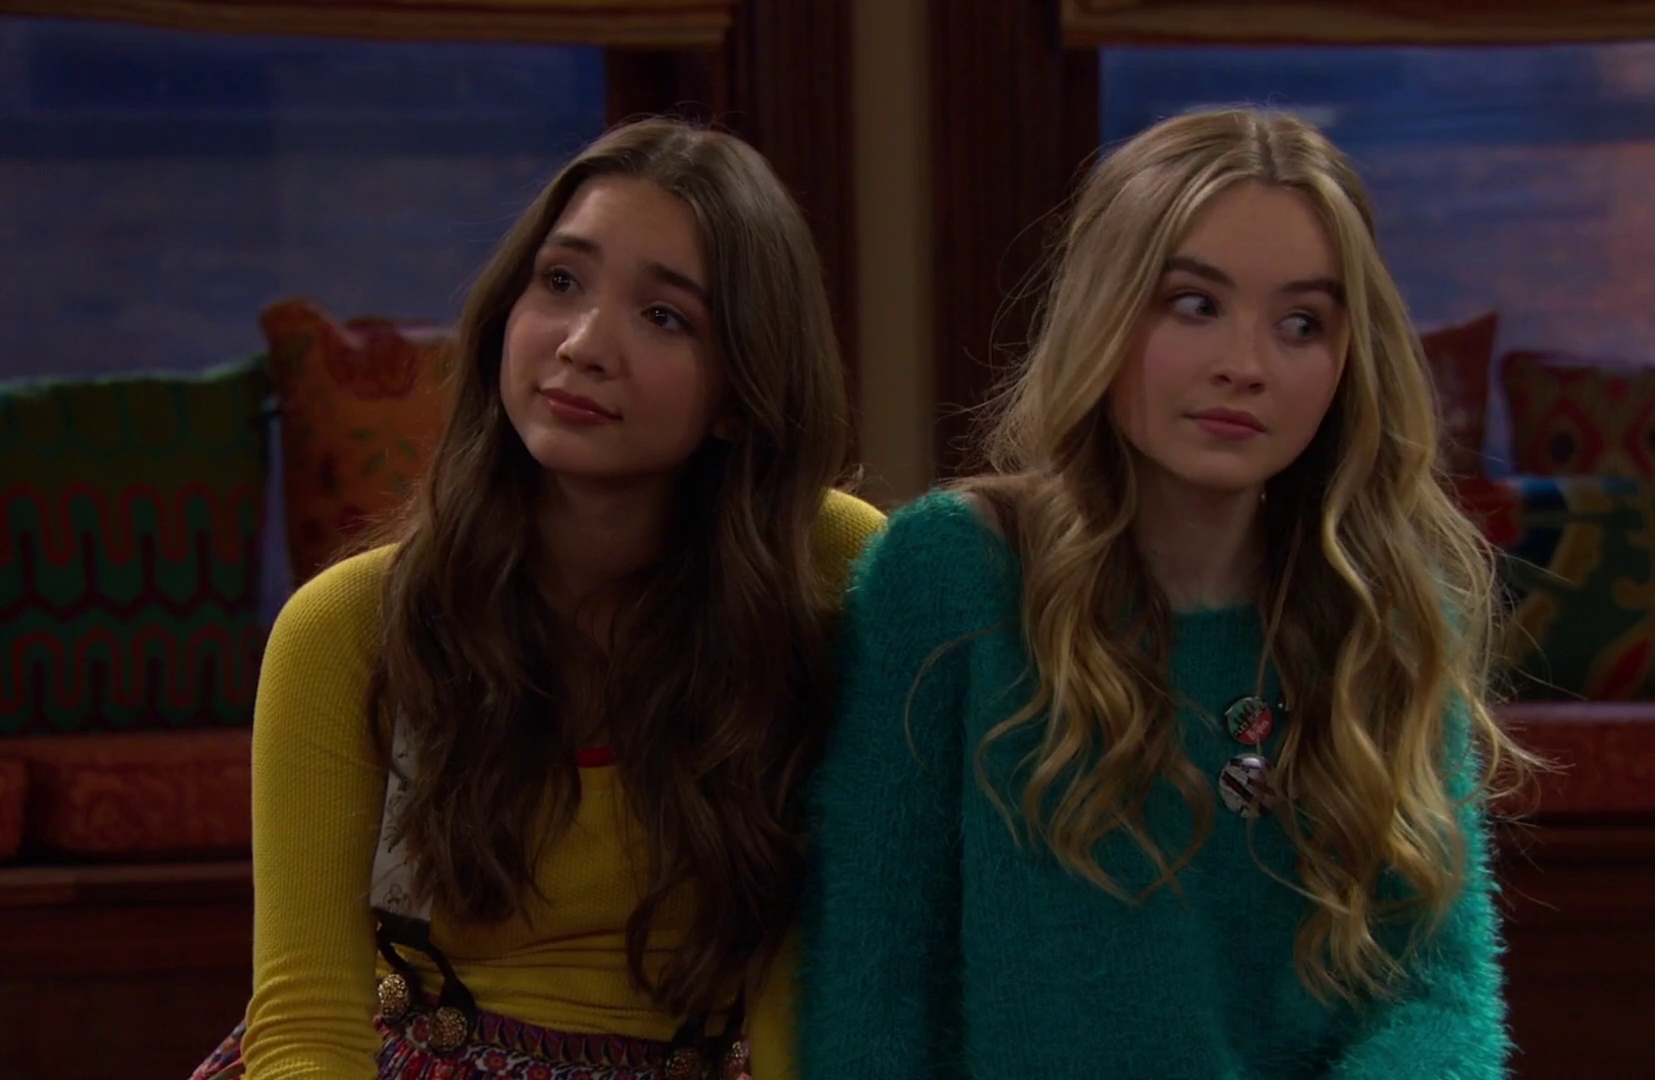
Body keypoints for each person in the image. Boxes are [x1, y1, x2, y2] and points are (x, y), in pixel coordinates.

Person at [798, 107, 1528, 1078]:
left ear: (1349, 360)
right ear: (1107, 308)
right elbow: (872, 991)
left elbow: (1439, 992)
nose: (1245, 366)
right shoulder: (952, 575)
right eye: (1194, 304)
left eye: (1301, 324)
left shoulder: (1384, 610)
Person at [191, 116, 884, 1080]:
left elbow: (820, 980)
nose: (584, 345)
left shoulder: (834, 571)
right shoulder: (350, 626)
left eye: (664, 316)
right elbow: (307, 1020)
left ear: (741, 389)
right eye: (560, 281)